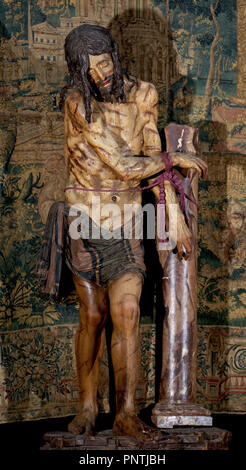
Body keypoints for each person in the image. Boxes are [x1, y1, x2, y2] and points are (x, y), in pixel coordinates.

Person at [58, 24, 207, 440]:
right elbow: (125, 164)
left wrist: (173, 212)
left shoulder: (143, 94)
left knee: (126, 313)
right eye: (89, 68)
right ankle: (87, 406)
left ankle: (125, 412)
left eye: (103, 62)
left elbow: (147, 155)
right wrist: (173, 157)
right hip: (84, 220)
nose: (99, 74)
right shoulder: (76, 102)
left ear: (115, 56)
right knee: (93, 316)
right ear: (77, 70)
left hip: (126, 220)